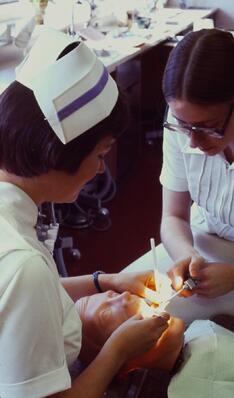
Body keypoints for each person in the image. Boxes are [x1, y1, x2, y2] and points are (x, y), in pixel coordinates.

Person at [0, 29, 170, 398]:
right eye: (99, 154)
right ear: (57, 154)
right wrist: (117, 350)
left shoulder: (19, 252)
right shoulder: (21, 263)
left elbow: (18, 299)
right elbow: (24, 285)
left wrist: (105, 281)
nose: (98, 170)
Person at [150, 27, 234, 325]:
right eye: (183, 125)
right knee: (122, 298)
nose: (192, 142)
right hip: (202, 246)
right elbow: (174, 217)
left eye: (209, 127)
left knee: (160, 321)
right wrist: (185, 256)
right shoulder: (184, 122)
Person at [75, 291, 234, 398]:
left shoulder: (226, 326)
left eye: (111, 294)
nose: (124, 296)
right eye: (107, 314)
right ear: (121, 365)